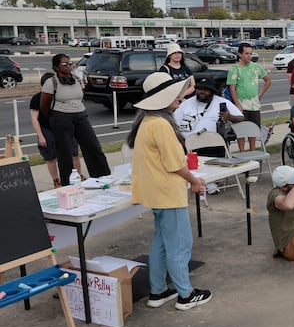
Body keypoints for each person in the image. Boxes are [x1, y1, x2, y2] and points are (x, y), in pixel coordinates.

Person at [127, 72, 212, 310]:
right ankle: (186, 294)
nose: (181, 99)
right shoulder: (162, 125)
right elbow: (175, 164)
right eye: (176, 95)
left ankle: (158, 290)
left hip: (156, 192)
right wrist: (194, 181)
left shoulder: (146, 121)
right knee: (179, 245)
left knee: (162, 244)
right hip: (168, 193)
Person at [39, 54, 111, 186]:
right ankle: (67, 184)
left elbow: (81, 97)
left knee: (93, 146)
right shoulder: (51, 83)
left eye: (70, 63)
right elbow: (44, 105)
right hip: (61, 118)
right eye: (64, 64)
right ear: (56, 67)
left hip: (80, 116)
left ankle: (102, 176)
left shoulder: (77, 80)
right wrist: (55, 116)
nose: (68, 66)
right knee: (65, 153)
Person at [30, 72, 82, 188]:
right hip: (47, 130)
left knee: (74, 154)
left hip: (65, 128)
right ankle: (56, 181)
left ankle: (79, 176)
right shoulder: (37, 98)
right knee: (51, 157)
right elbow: (34, 118)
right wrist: (41, 136)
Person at [174, 78, 245, 153]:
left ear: (212, 92)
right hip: (189, 145)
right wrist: (182, 142)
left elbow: (241, 117)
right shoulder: (186, 104)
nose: (202, 92)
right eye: (200, 89)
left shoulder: (221, 101)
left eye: (206, 90)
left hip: (213, 145)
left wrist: (230, 117)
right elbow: (174, 125)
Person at [226, 43, 271, 152]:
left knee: (253, 131)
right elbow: (232, 88)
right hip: (241, 105)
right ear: (240, 54)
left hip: (254, 106)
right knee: (241, 132)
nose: (249, 56)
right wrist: (237, 104)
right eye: (246, 53)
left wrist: (259, 95)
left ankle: (252, 152)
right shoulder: (235, 68)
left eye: (251, 53)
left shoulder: (256, 67)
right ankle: (242, 153)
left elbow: (268, 81)